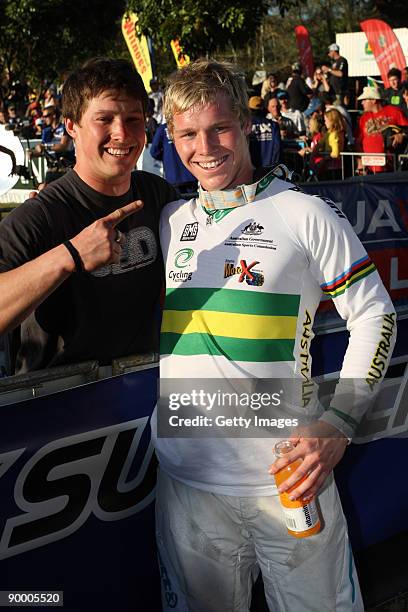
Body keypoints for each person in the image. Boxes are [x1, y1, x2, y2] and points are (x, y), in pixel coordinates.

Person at [152, 58, 396, 612]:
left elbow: (375, 314)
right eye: (188, 134)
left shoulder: (303, 212)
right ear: (172, 137)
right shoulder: (170, 221)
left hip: (288, 476)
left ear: (243, 123)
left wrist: (338, 423)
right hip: (187, 482)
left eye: (219, 127)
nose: (205, 147)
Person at [0, 57, 178, 374]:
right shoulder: (38, 216)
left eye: (133, 119)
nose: (122, 134)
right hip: (58, 406)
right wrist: (70, 255)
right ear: (72, 126)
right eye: (104, 119)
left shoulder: (160, 195)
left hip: (143, 394)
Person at [355, 85, 408, 174]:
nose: (362, 103)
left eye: (364, 100)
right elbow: (358, 142)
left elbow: (406, 129)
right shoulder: (363, 118)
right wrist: (359, 161)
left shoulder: (394, 111)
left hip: (391, 167)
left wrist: (402, 135)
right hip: (369, 169)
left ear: (373, 100)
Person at [150, 121, 198, 193]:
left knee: (178, 203)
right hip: (190, 174)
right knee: (193, 202)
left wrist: (166, 158)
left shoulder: (162, 129)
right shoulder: (187, 125)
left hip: (172, 175)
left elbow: (154, 151)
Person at [248, 95, 281, 168]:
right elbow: (277, 148)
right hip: (269, 169)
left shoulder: (244, 126)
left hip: (250, 170)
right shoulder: (274, 125)